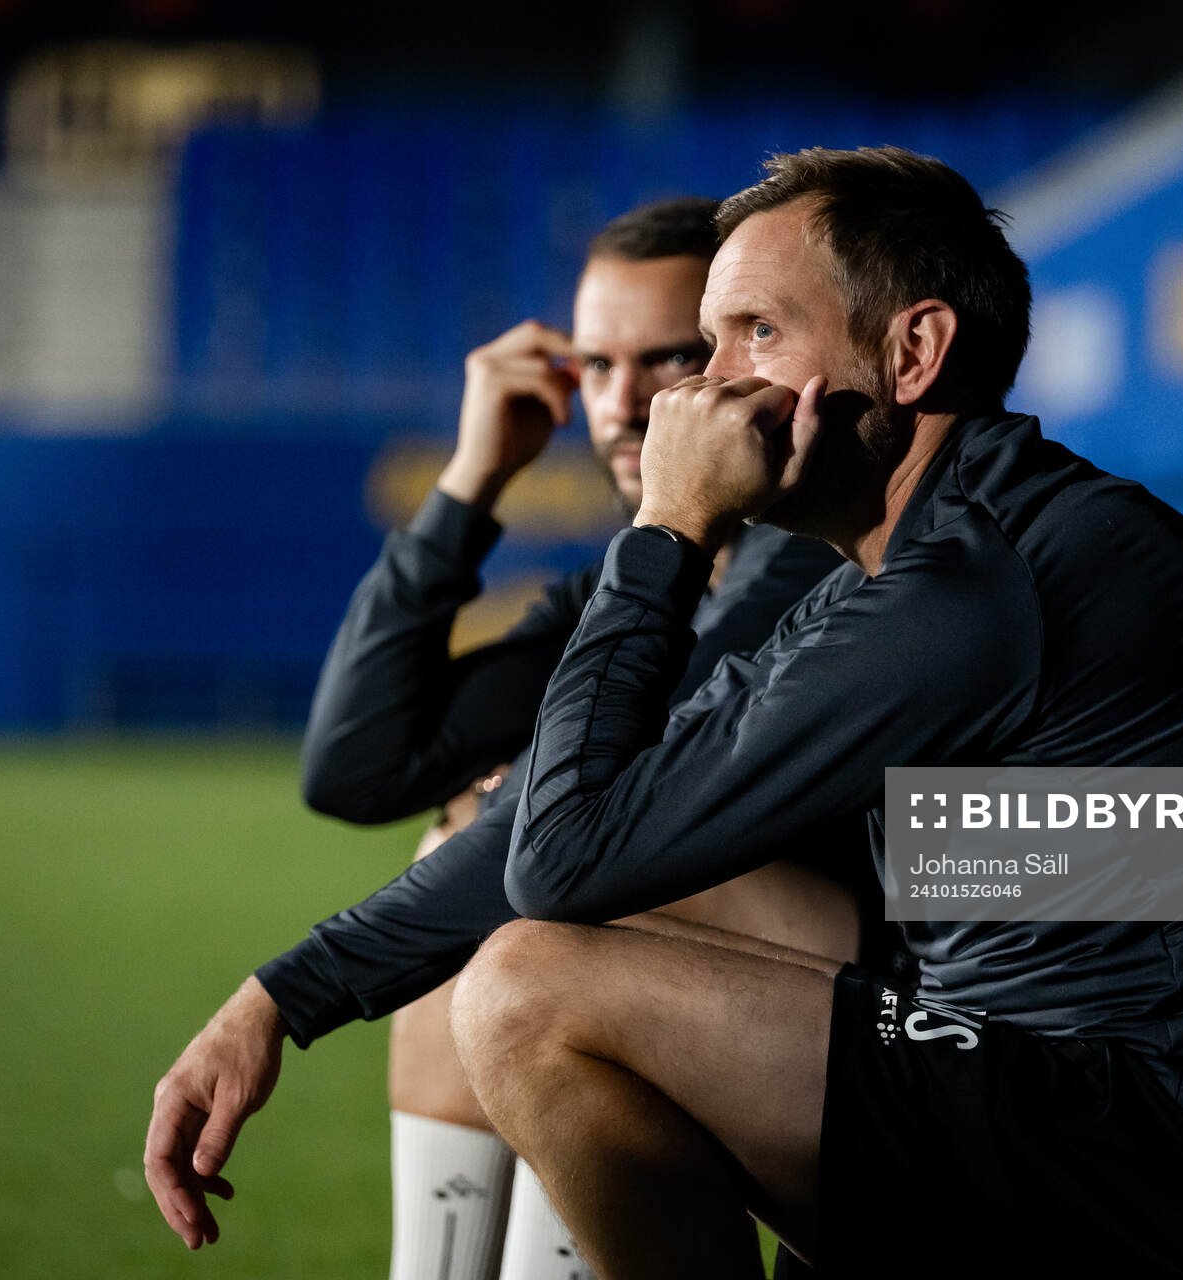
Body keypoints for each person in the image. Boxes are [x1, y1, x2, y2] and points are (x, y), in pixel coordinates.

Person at [146, 148, 1183, 1277]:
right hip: (1076, 1088)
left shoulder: (971, 577)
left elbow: (564, 858)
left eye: (752, 336)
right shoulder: (921, 553)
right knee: (558, 892)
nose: (701, 389)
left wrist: (668, 525)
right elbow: (580, 811)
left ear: (913, 351)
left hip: (1174, 1176)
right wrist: (278, 999)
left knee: (529, 983)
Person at [286, 196, 858, 1280]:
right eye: (595, 364)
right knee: (497, 837)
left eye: (672, 357)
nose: (625, 402)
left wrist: (283, 995)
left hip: (937, 1029)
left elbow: (637, 796)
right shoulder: (635, 576)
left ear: (754, 352)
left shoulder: (817, 550)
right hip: (831, 1009)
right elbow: (359, 764)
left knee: (576, 859)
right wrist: (470, 482)